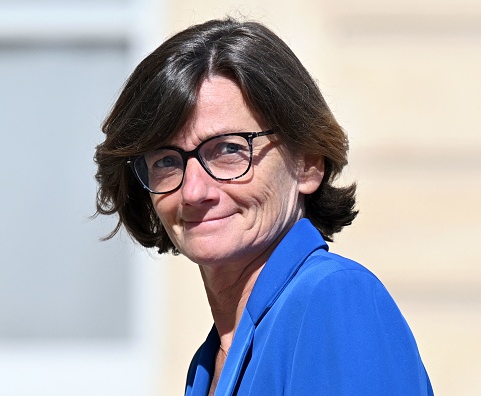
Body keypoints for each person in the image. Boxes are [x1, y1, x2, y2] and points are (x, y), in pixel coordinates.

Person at [94, 18, 433, 396]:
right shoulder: (212, 360)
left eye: (228, 150)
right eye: (166, 161)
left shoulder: (333, 299)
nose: (193, 191)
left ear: (308, 163)